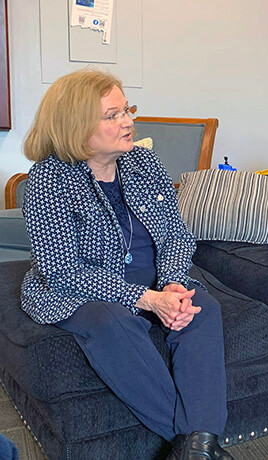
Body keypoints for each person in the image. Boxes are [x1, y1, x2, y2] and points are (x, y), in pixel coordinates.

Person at [21, 69, 232, 460]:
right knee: (111, 322)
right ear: (77, 126)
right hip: (83, 290)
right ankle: (198, 445)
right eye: (113, 115)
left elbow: (176, 235)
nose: (129, 122)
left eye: (127, 110)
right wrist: (147, 299)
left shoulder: (144, 163)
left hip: (153, 280)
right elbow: (63, 272)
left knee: (203, 307)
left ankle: (196, 449)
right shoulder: (48, 179)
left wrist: (169, 285)